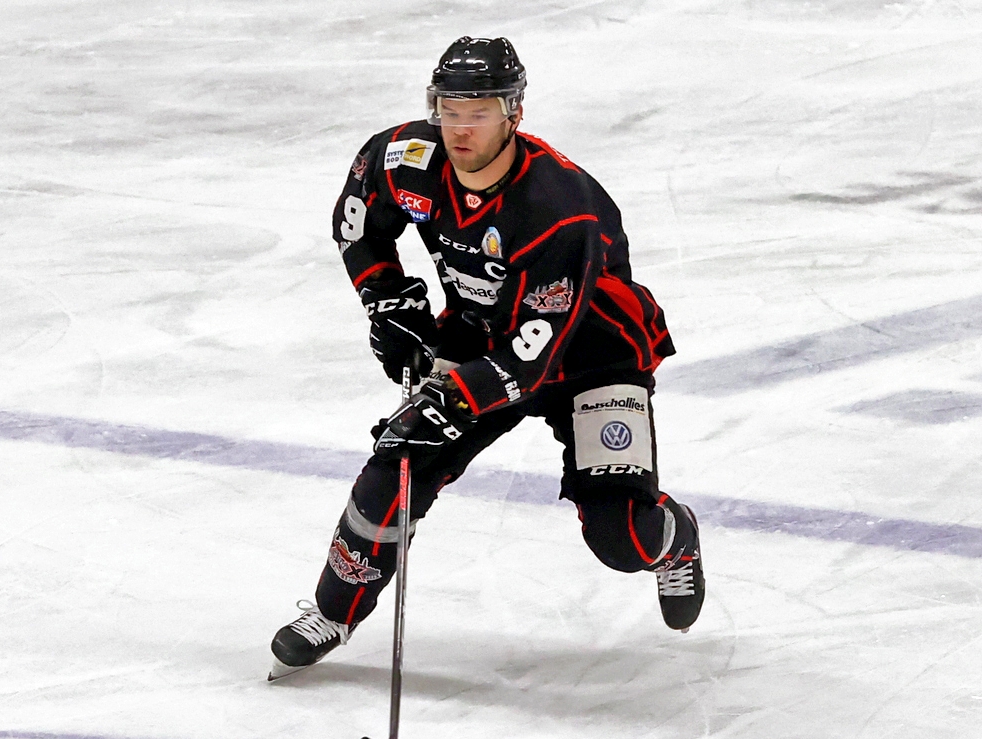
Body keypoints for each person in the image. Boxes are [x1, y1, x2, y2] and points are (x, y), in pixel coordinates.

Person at [269, 36, 703, 680]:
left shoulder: (557, 209)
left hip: (593, 354)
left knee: (622, 538)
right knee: (399, 466)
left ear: (513, 113)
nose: (460, 128)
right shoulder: (405, 159)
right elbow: (358, 222)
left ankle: (677, 539)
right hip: (484, 334)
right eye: (449, 110)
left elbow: (533, 355)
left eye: (478, 112)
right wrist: (387, 302)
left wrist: (449, 398)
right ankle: (334, 612)